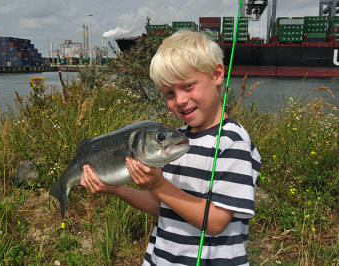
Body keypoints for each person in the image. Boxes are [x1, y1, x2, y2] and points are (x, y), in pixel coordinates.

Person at [80, 30, 262, 265]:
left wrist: (158, 184)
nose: (180, 100)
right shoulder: (176, 140)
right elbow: (163, 207)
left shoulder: (232, 142)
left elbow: (216, 222)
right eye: (169, 93)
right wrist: (117, 189)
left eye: (188, 86)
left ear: (217, 75)